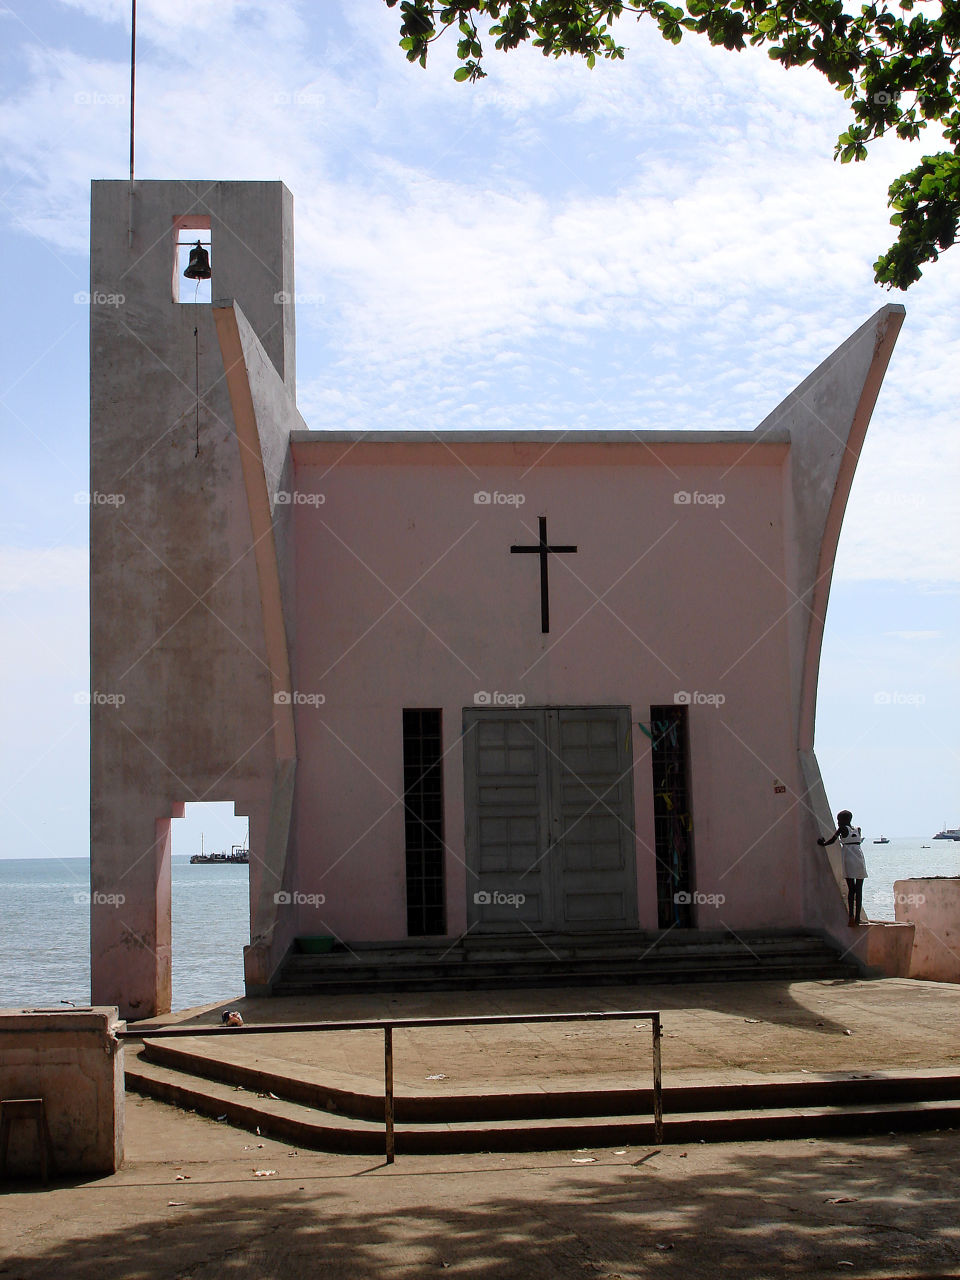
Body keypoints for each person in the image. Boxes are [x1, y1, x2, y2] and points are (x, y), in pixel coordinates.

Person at [818, 809, 868, 926]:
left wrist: (823, 843)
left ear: (842, 820)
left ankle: (851, 916)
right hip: (860, 859)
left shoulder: (842, 829)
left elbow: (832, 840)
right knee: (859, 890)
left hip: (849, 859)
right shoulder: (858, 829)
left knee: (851, 890)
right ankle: (858, 918)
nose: (838, 822)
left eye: (838, 820)